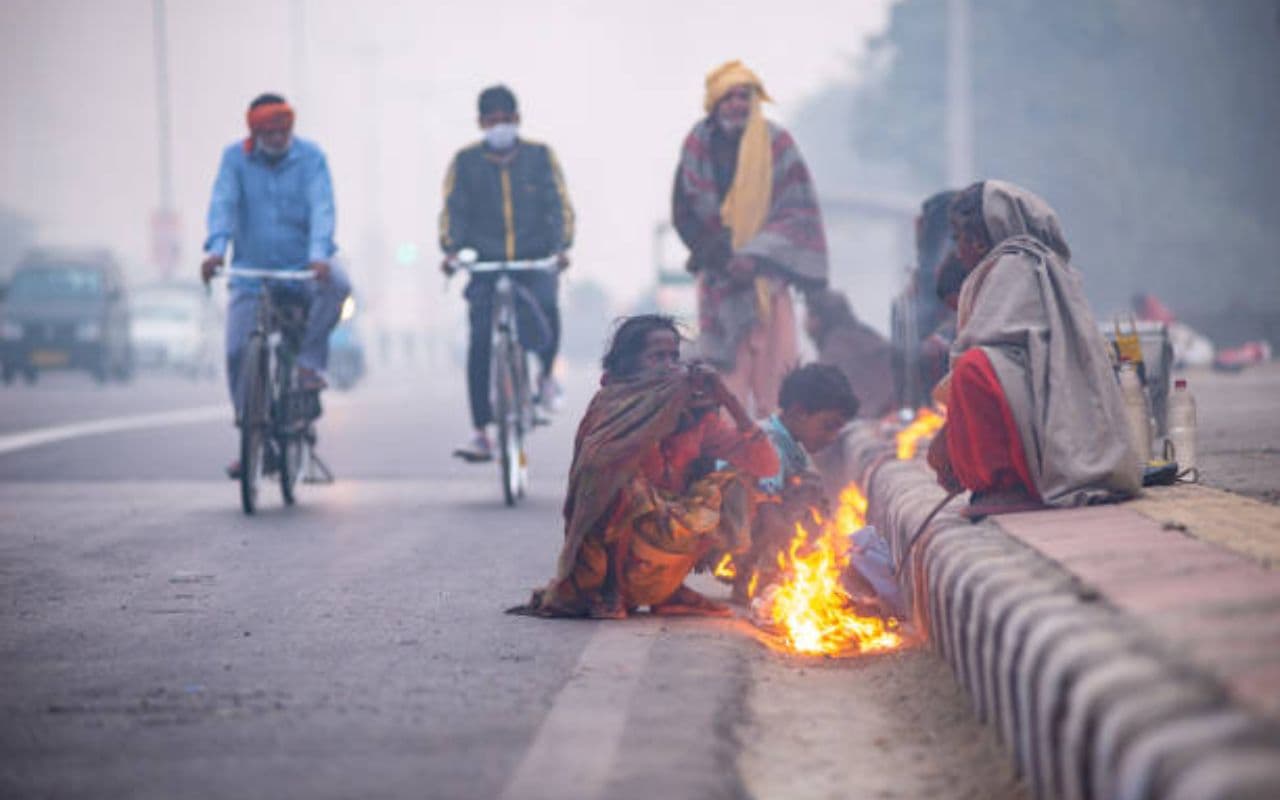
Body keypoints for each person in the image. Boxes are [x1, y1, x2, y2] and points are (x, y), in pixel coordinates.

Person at [513, 315, 780, 619]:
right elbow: (594, 481)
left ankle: (672, 588)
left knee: (739, 484)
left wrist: (727, 398)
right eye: (657, 357)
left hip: (668, 545)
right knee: (620, 478)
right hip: (609, 557)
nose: (669, 365)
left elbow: (766, 465)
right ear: (630, 365)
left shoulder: (696, 413)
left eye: (674, 357)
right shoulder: (612, 408)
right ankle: (611, 592)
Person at [927, 180, 1141, 516]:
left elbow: (982, 352)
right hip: (1036, 403)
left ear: (980, 241)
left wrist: (947, 440)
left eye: (958, 239)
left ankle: (1007, 485)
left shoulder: (1015, 265)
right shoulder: (1027, 264)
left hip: (1040, 415)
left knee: (973, 369)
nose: (957, 252)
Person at [201, 93, 350, 478]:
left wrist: (319, 254)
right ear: (254, 131)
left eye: (284, 130)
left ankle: (309, 364)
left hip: (303, 270)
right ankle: (252, 436)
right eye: (270, 131)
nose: (278, 137)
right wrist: (216, 250)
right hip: (251, 274)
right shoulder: (235, 160)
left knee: (339, 284)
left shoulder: (311, 158)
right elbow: (224, 205)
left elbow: (322, 207)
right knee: (237, 350)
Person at [672, 60, 829, 417]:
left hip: (768, 285)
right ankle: (731, 467)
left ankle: (777, 466)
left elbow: (797, 210)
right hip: (719, 286)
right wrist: (725, 257)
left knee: (779, 385)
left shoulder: (778, 144)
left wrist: (756, 256)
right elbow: (685, 214)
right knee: (724, 387)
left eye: (744, 96)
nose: (737, 104)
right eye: (728, 97)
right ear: (715, 103)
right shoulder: (697, 145)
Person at [440, 85, 574, 462]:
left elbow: (559, 205)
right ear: (481, 123)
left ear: (517, 119)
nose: (499, 126)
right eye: (491, 120)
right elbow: (453, 212)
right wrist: (451, 250)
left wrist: (561, 247)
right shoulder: (465, 164)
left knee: (547, 306)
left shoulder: (540, 158)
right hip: (485, 266)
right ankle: (481, 430)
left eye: (506, 119)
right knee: (480, 339)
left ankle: (545, 378)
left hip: (533, 262)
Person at [722, 363, 859, 603]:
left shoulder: (791, 446)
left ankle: (764, 575)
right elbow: (770, 513)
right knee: (802, 496)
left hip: (742, 528)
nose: (832, 437)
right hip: (725, 534)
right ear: (798, 413)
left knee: (811, 488)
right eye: (828, 425)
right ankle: (758, 579)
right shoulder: (770, 441)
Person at [804, 288, 894, 420]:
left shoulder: (833, 354)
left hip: (865, 423)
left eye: (807, 316)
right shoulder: (870, 336)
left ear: (817, 320)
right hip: (891, 416)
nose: (804, 324)